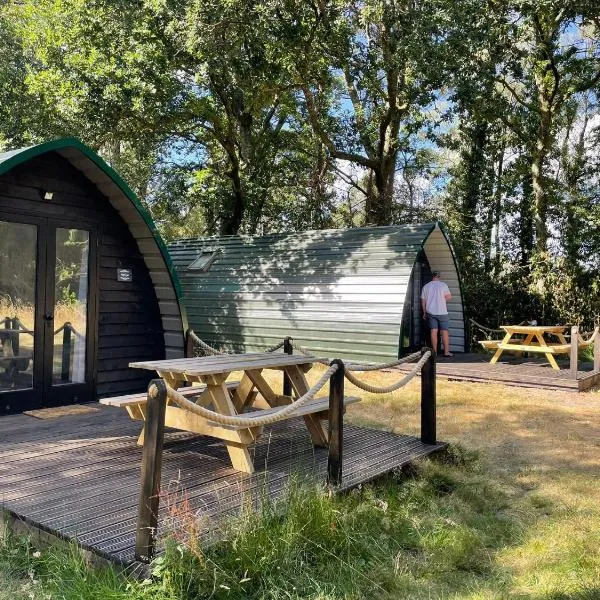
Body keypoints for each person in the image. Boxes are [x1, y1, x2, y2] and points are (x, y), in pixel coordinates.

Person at [420, 271, 452, 356]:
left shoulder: (426, 286)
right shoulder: (443, 285)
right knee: (444, 331)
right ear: (439, 276)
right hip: (442, 312)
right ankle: (446, 352)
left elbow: (423, 301)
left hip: (430, 312)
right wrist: (441, 299)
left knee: (433, 331)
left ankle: (435, 352)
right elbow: (449, 297)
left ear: (432, 277)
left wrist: (424, 313)